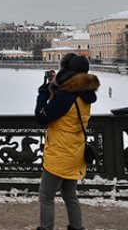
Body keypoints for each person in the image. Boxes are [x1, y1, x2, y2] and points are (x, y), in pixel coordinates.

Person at [34, 53, 99, 230]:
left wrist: (42, 93)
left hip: (60, 152)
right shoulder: (86, 93)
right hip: (76, 150)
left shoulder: (65, 97)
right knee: (70, 195)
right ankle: (77, 228)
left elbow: (41, 116)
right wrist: (58, 84)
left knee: (46, 197)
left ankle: (46, 228)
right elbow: (69, 98)